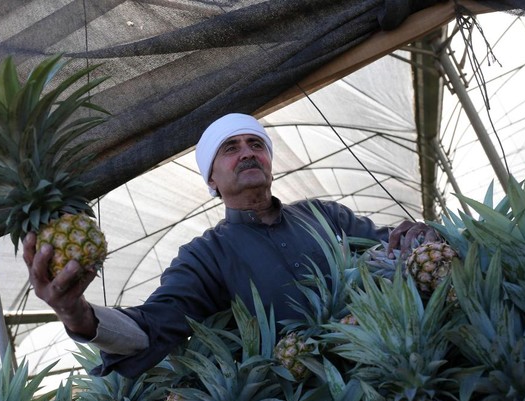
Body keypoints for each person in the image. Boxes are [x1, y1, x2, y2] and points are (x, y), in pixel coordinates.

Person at [23, 113, 436, 378]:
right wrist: (77, 315)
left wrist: (418, 238)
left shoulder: (325, 215)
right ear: (211, 180)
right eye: (230, 148)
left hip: (395, 366)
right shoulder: (206, 256)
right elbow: (151, 328)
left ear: (270, 162)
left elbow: (389, 247)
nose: (248, 154)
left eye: (256, 144)